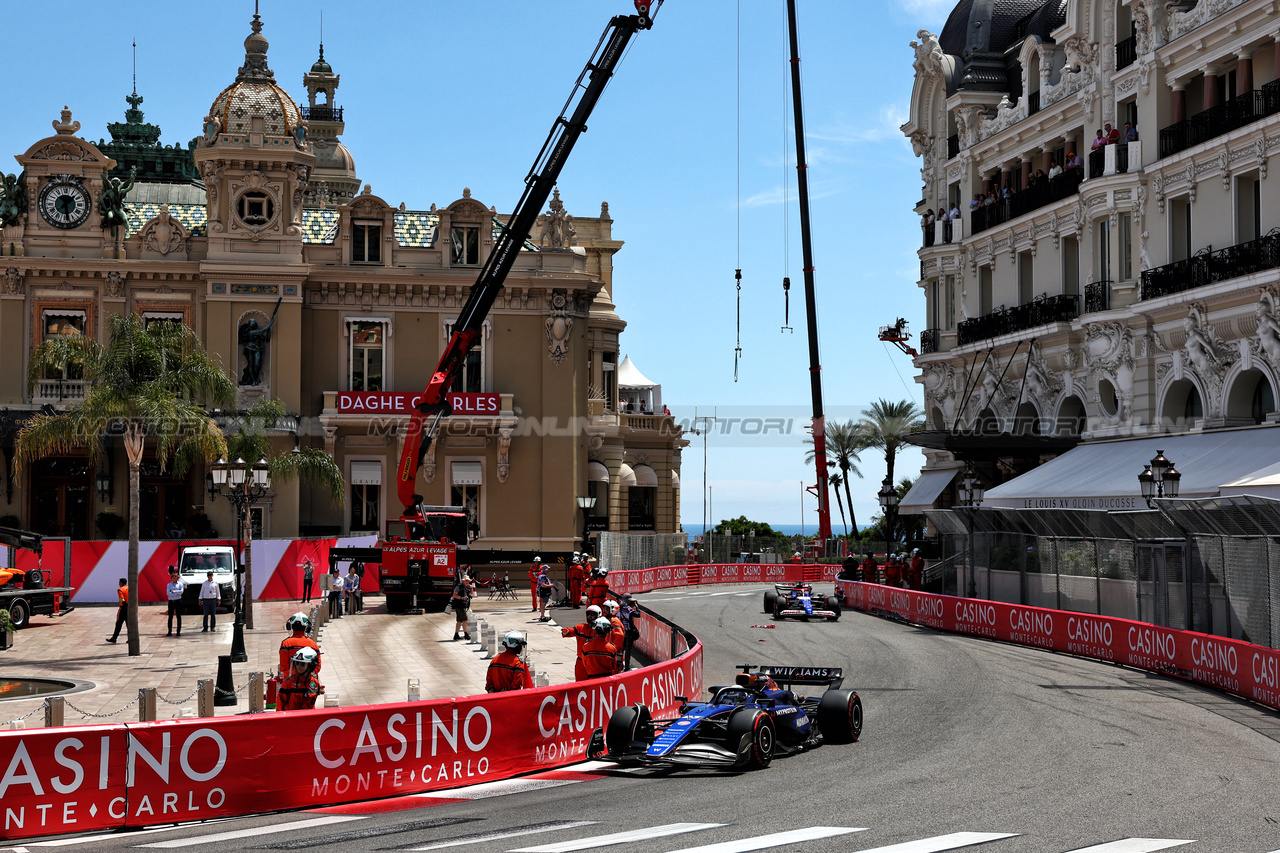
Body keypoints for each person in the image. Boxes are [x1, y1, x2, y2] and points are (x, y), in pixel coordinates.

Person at [561, 605, 602, 681]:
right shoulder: (581, 627)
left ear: (598, 615)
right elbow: (571, 631)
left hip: (594, 662)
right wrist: (566, 632)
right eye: (588, 614)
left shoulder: (601, 629)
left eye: (592, 614)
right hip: (581, 662)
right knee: (580, 685)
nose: (590, 616)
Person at [277, 647, 323, 711]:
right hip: (291, 718)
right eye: (297, 663)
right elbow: (280, 706)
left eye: (302, 664)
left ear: (311, 665)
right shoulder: (288, 683)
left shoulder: (315, 683)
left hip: (308, 718)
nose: (299, 667)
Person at [617, 594, 641, 670]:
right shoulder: (628, 609)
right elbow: (638, 615)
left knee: (621, 649)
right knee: (628, 650)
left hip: (621, 630)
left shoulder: (618, 608)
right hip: (629, 631)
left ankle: (619, 666)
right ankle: (627, 667)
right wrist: (637, 606)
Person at [451, 571, 474, 640]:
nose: (467, 582)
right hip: (459, 605)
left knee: (459, 621)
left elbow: (471, 594)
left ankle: (456, 634)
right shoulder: (459, 587)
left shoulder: (467, 587)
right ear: (463, 581)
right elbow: (454, 595)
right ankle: (466, 634)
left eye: (468, 581)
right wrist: (461, 598)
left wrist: (472, 588)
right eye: (466, 581)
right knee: (465, 620)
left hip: (462, 605)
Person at [105, 577, 129, 644]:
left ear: (121, 583)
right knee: (129, 625)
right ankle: (130, 638)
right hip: (129, 609)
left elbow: (121, 599)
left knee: (118, 624)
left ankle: (114, 638)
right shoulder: (129, 588)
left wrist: (125, 604)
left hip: (123, 609)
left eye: (119, 583)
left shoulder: (120, 590)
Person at [165, 567, 184, 637]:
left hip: (178, 601)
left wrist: (173, 591)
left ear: (177, 577)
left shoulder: (180, 584)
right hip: (171, 601)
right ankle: (169, 631)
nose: (174, 577)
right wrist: (176, 592)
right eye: (172, 576)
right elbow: (168, 593)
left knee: (179, 616)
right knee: (170, 617)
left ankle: (178, 631)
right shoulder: (169, 585)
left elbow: (181, 592)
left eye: (175, 576)